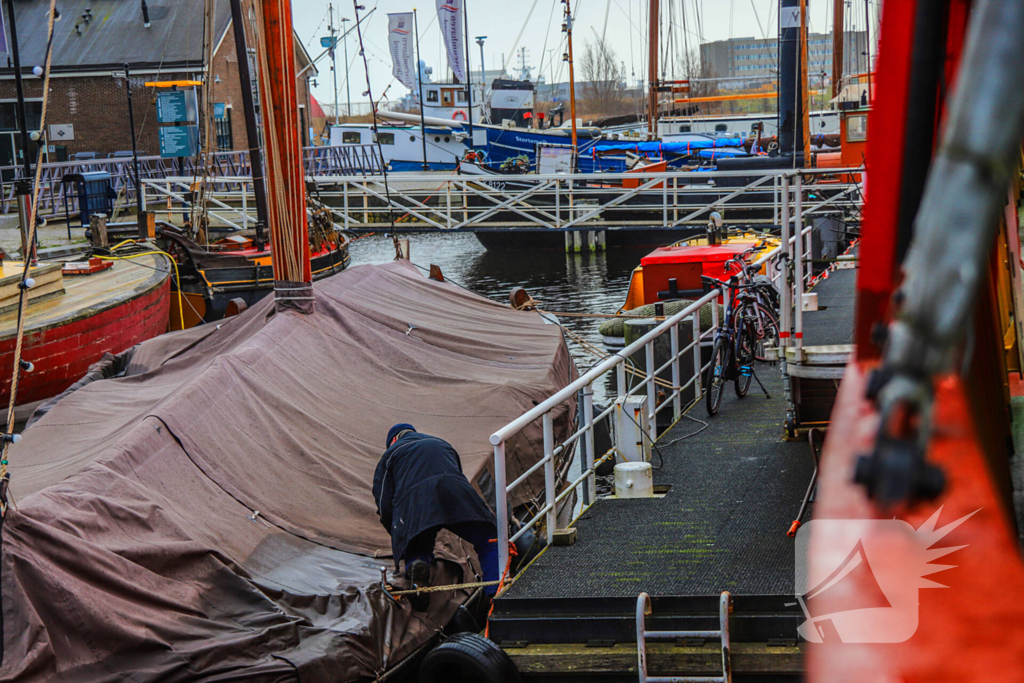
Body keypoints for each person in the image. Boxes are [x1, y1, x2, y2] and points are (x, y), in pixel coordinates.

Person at [373, 423, 500, 611]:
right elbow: (456, 471)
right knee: (489, 539)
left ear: (393, 440)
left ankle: (418, 570)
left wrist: (398, 531)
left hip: (416, 502)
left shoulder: (392, 453)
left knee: (417, 542)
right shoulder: (441, 443)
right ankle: (498, 595)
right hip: (456, 490)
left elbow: (383, 499)